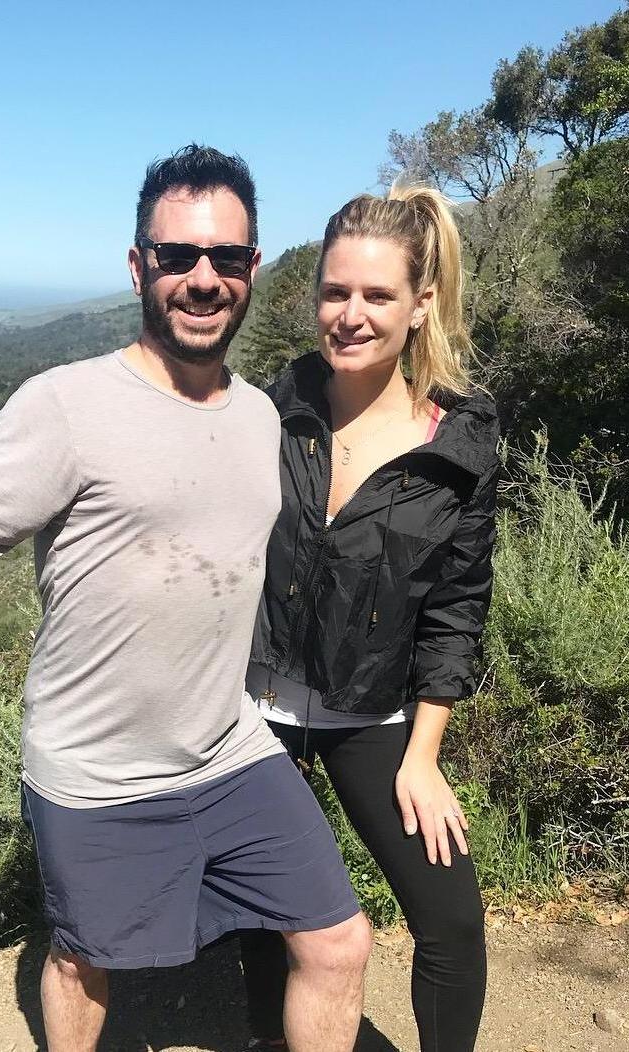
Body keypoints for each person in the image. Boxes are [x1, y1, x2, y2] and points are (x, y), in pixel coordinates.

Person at [0, 145, 372, 1052]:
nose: (203, 280)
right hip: (97, 774)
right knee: (86, 964)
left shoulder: (259, 417)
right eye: (177, 257)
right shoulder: (69, 404)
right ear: (138, 267)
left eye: (227, 259)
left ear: (252, 269)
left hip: (229, 747)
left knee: (338, 939)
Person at [239, 186, 499, 1052]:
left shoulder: (457, 448)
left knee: (452, 923)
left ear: (421, 305)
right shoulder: (270, 414)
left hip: (372, 711)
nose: (350, 315)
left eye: (377, 296)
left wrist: (423, 756)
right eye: (334, 292)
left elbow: (457, 610)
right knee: (267, 920)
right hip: (253, 708)